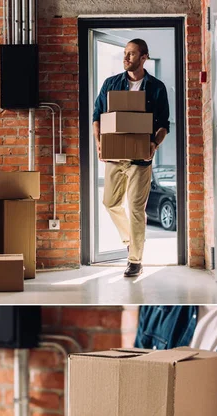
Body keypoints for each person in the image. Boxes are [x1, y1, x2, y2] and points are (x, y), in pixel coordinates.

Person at [92, 39, 170, 277]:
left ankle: (135, 260)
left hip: (140, 159)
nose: (126, 58)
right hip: (115, 156)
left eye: (132, 54)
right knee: (110, 203)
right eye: (125, 53)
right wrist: (99, 142)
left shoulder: (156, 87)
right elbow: (97, 115)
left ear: (144, 57)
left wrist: (154, 145)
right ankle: (130, 240)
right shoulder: (111, 84)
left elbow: (164, 125)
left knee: (136, 208)